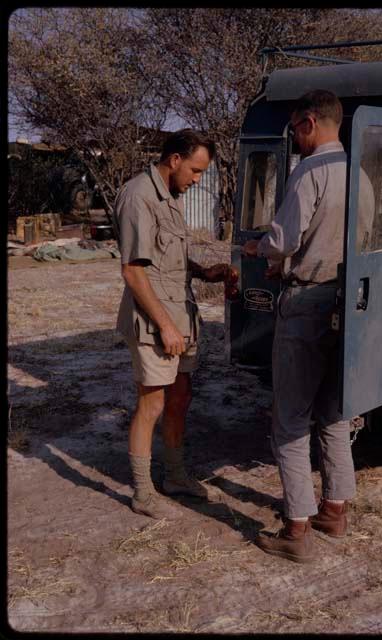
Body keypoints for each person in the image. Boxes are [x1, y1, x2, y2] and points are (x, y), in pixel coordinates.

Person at [243, 90, 374, 563]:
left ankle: (296, 529)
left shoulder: (309, 172)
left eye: (296, 128)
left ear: (311, 122)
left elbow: (282, 239)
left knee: (290, 420)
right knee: (335, 414)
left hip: (306, 304)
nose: (294, 137)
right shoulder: (358, 173)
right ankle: (334, 510)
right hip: (349, 304)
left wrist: (261, 250)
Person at [113, 129, 232, 519]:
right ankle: (143, 491)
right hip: (155, 321)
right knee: (152, 403)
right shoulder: (138, 197)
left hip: (180, 317)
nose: (197, 180)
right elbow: (133, 271)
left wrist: (204, 272)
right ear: (175, 159)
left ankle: (175, 475)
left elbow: (167, 261)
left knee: (181, 397)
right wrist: (164, 325)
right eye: (195, 171)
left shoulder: (171, 197)